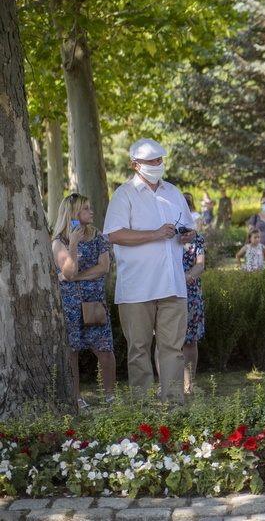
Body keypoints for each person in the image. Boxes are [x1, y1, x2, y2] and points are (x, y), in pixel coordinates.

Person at [104, 138, 195, 403]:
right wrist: (155, 234)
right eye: (151, 161)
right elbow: (114, 234)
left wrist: (187, 235)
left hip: (173, 284)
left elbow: (187, 227)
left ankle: (174, 404)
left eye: (160, 160)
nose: (158, 165)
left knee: (172, 348)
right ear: (136, 165)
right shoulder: (124, 194)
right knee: (139, 349)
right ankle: (140, 408)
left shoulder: (173, 192)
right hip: (137, 287)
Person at [52, 194, 117, 409]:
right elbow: (68, 271)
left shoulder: (99, 237)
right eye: (86, 209)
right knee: (73, 353)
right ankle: (77, 398)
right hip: (70, 305)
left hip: (95, 303)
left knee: (105, 351)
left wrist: (75, 277)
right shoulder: (59, 242)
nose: (91, 212)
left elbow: (103, 268)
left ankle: (110, 396)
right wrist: (72, 245)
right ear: (74, 214)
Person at [180, 199, 206, 395]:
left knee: (190, 340)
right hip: (167, 290)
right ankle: (167, 383)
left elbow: (200, 264)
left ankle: (189, 384)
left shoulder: (197, 238)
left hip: (191, 292)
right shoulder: (165, 235)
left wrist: (188, 276)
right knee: (165, 340)